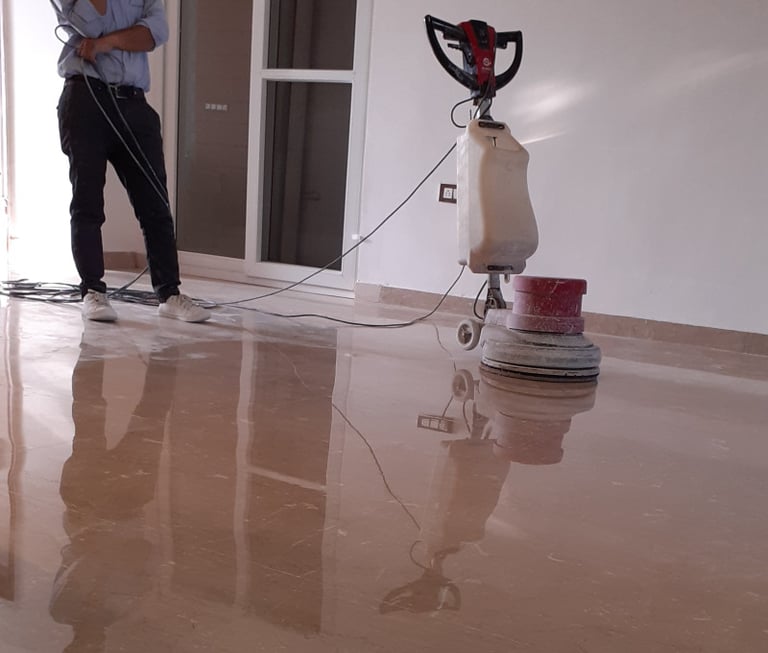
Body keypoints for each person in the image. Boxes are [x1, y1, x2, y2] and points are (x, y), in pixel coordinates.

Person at [54, 0, 210, 322]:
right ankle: (94, 292)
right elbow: (90, 23)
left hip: (134, 103)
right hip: (86, 97)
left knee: (155, 203)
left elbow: (156, 33)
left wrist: (107, 43)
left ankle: (169, 294)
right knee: (88, 202)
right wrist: (116, 34)